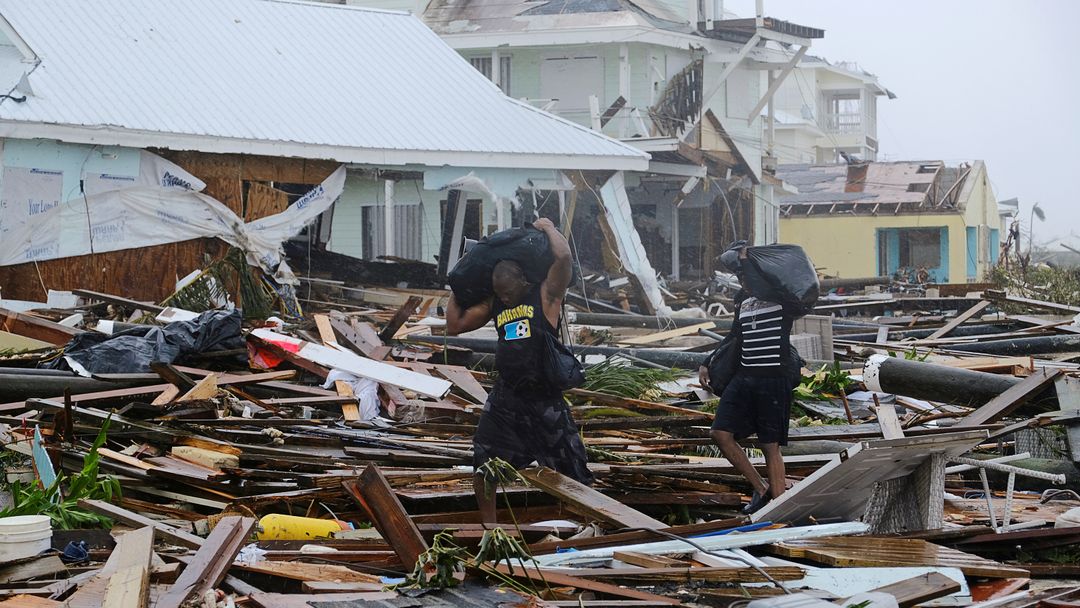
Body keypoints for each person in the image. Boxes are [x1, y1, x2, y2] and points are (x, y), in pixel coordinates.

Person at [446, 218, 593, 523]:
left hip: (544, 397)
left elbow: (563, 258)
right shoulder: (496, 301)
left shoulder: (547, 294)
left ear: (522, 281)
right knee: (484, 458)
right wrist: (458, 284)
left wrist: (550, 228)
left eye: (507, 292)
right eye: (499, 294)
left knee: (572, 466)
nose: (504, 299)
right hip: (507, 396)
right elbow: (455, 325)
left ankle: (588, 521)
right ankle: (491, 526)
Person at [699, 245, 799, 515]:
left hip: (773, 380)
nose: (744, 283)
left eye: (748, 277)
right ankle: (761, 488)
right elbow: (733, 336)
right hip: (744, 378)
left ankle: (777, 509)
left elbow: (797, 292)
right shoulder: (743, 300)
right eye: (741, 278)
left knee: (770, 445)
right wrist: (707, 362)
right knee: (720, 434)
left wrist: (750, 260)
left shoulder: (782, 299)